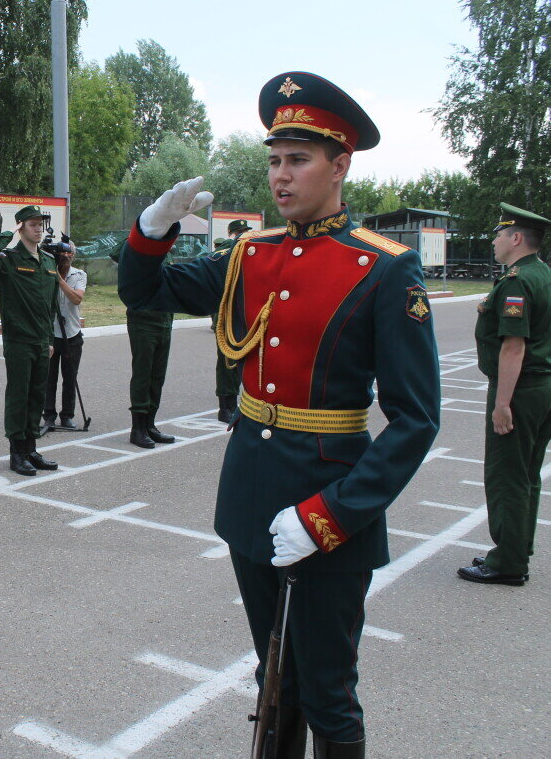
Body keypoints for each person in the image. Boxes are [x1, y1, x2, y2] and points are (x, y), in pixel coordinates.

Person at [118, 72, 440, 757]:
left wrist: (328, 515)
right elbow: (145, 294)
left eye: (298, 160)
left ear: (340, 164)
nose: (281, 176)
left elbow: (415, 420)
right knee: (274, 681)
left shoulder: (385, 269)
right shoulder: (251, 254)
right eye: (274, 160)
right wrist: (150, 232)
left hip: (329, 498)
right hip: (250, 489)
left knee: (327, 691)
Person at [457, 203, 551, 586]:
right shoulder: (543, 274)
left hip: (521, 389)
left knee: (507, 476)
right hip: (541, 387)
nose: (494, 241)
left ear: (516, 239)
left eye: (499, 235)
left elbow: (513, 346)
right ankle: (515, 549)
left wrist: (501, 405)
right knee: (527, 475)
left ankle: (508, 563)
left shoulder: (516, 282)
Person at [0, 205, 61, 476]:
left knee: (36, 396)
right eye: (32, 224)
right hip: (18, 340)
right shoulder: (9, 258)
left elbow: (50, 306)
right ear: (22, 227)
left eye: (40, 224)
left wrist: (49, 339)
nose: (38, 228)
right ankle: (17, 453)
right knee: (19, 396)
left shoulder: (49, 261)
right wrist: (8, 234)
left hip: (41, 340)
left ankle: (31, 449)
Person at [109, 239, 176, 449]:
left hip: (165, 319)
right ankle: (137, 429)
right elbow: (115, 252)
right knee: (143, 374)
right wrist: (141, 238)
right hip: (144, 320)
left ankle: (150, 425)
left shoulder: (167, 250)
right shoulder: (138, 246)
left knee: (158, 376)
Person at [42, 239, 86, 431]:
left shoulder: (80, 274)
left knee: (70, 377)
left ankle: (67, 415)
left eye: (71, 254)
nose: (67, 256)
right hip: (51, 334)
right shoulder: (46, 272)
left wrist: (59, 279)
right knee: (48, 379)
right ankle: (48, 416)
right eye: (64, 253)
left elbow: (76, 299)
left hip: (72, 334)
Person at [212, 220, 248, 421]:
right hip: (227, 313)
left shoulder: (248, 248)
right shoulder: (226, 250)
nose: (243, 235)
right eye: (239, 232)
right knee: (228, 361)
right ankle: (225, 406)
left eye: (245, 231)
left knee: (239, 359)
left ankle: (235, 403)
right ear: (232, 234)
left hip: (242, 312)